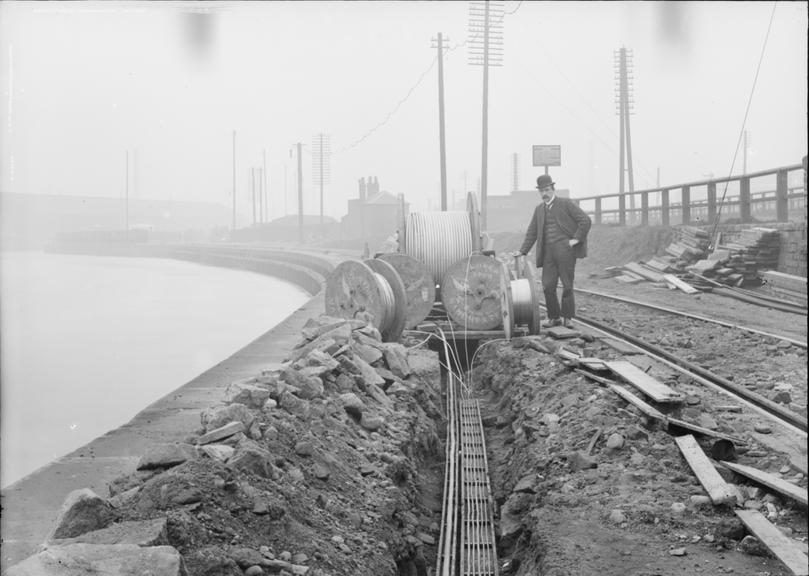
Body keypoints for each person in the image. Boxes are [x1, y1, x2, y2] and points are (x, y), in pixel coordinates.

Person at [514, 174, 591, 328]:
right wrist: (522, 251)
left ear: (553, 189)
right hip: (548, 254)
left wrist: (576, 239)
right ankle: (554, 317)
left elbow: (585, 220)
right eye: (541, 191)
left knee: (567, 285)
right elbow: (532, 232)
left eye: (547, 190)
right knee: (548, 286)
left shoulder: (566, 204)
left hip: (565, 252)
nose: (544, 193)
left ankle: (568, 318)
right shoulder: (539, 210)